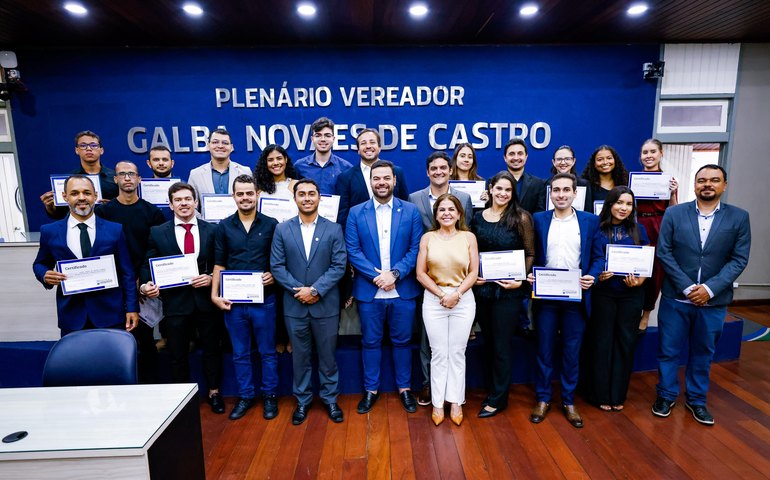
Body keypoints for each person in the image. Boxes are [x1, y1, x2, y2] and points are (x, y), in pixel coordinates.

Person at [653, 164, 750, 426]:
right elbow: (664, 253)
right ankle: (666, 395)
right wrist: (687, 287)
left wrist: (708, 289)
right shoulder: (674, 214)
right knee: (668, 351)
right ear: (694, 185)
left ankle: (696, 400)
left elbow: (739, 260)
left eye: (714, 180)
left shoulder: (739, 218)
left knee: (703, 353)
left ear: (724, 185)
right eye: (702, 180)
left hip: (713, 302)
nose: (707, 184)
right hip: (676, 298)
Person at [138, 182, 225, 413]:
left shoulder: (212, 230)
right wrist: (146, 285)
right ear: (170, 204)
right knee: (177, 354)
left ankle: (214, 392)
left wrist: (209, 278)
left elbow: (220, 263)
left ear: (196, 202)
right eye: (178, 200)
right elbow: (148, 264)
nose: (184, 203)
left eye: (188, 199)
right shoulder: (158, 232)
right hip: (175, 304)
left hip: (206, 301)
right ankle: (182, 399)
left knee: (211, 350)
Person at [345, 160, 423, 415]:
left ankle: (404, 389)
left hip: (403, 290)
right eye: (376, 178)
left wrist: (396, 274)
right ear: (371, 182)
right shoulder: (357, 212)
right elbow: (353, 251)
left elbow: (415, 249)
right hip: (371, 290)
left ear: (394, 180)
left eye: (386, 178)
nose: (381, 182)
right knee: (370, 342)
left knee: (402, 342)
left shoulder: (410, 211)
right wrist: (377, 277)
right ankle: (371, 390)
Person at [528, 173, 603, 428]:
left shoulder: (590, 221)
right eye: (556, 190)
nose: (561, 194)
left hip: (575, 298)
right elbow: (531, 252)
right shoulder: (538, 219)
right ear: (551, 193)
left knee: (572, 352)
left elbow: (598, 256)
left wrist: (592, 275)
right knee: (544, 350)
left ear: (574, 193)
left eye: (566, 190)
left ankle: (569, 401)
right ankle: (543, 398)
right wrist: (528, 271)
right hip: (546, 297)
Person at [271, 179, 347, 425]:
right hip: (295, 305)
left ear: (319, 198)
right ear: (294, 199)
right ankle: (302, 401)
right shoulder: (282, 229)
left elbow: (339, 266)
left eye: (311, 194)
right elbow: (277, 266)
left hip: (325, 305)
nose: (306, 198)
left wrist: (315, 290)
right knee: (300, 358)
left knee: (328, 357)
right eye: (301, 194)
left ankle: (330, 399)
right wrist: (300, 291)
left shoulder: (333, 229)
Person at [32, 175, 138, 336]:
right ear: (65, 197)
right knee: (76, 361)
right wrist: (45, 275)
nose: (82, 198)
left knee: (111, 360)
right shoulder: (50, 231)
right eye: (75, 193)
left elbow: (127, 273)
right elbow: (39, 264)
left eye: (87, 193)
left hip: (110, 313)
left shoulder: (114, 230)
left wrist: (132, 307)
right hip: (72, 314)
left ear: (95, 196)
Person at [210, 175, 280, 421]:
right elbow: (219, 264)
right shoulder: (224, 226)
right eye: (240, 194)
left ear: (257, 194)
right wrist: (214, 294)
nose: (245, 198)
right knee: (240, 353)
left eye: (249, 193)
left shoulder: (272, 224)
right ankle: (246, 395)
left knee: (267, 351)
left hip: (265, 300)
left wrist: (274, 275)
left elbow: (279, 261)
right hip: (234, 302)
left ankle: (270, 395)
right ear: (233, 196)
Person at [408, 151, 474, 407]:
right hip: (426, 275)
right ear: (427, 172)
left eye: (443, 168)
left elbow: (469, 232)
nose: (438, 172)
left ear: (450, 169)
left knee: (455, 347)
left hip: (458, 280)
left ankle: (454, 396)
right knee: (429, 339)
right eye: (433, 168)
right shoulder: (414, 198)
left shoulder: (465, 198)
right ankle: (429, 385)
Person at [471, 171, 535, 418]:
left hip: (508, 293)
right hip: (483, 290)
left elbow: (530, 253)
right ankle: (492, 389)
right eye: (499, 189)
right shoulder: (477, 218)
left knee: (501, 345)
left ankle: (499, 398)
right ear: (490, 188)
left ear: (513, 193)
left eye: (508, 190)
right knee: (488, 342)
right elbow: (472, 251)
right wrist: (474, 274)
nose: (503, 194)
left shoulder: (521, 217)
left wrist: (520, 279)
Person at [96, 161, 166, 383]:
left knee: (145, 342)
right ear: (115, 179)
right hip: (112, 284)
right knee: (113, 339)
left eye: (131, 174)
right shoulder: (103, 212)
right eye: (122, 174)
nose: (127, 178)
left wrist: (142, 280)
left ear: (139, 179)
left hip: (142, 285)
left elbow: (155, 249)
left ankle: (151, 390)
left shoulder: (152, 212)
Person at [582, 186, 649, 412]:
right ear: (610, 204)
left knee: (625, 343)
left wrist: (639, 281)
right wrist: (598, 275)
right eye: (619, 203)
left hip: (631, 295)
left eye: (628, 204)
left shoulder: (639, 230)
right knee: (601, 343)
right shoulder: (597, 229)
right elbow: (592, 259)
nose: (623, 208)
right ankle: (599, 393)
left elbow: (646, 265)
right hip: (603, 294)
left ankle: (617, 395)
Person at [416, 194, 479, 426]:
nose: (446, 213)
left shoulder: (468, 237)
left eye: (451, 209)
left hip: (463, 298)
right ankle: (437, 403)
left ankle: (455, 402)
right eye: (441, 210)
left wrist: (457, 294)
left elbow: (473, 272)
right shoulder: (428, 238)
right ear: (436, 214)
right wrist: (443, 295)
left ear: (459, 213)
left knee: (457, 352)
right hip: (435, 299)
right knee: (439, 352)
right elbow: (420, 273)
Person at [636, 139, 679, 333]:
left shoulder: (669, 181)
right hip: (637, 224)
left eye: (653, 151)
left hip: (658, 225)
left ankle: (646, 314)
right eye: (645, 152)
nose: (649, 156)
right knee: (635, 268)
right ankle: (633, 310)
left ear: (661, 154)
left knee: (655, 272)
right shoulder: (634, 178)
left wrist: (672, 192)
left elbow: (674, 210)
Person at [335, 128, 410, 228]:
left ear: (379, 147)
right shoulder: (345, 177)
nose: (368, 146)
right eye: (363, 143)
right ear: (358, 150)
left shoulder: (396, 172)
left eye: (372, 142)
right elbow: (342, 216)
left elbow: (404, 206)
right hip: (360, 236)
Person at [40, 130, 118, 219]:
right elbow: (59, 215)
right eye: (83, 145)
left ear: (101, 150)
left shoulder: (115, 178)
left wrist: (113, 207)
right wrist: (49, 207)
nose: (89, 149)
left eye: (93, 145)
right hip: (78, 229)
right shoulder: (68, 180)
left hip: (109, 227)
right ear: (77, 150)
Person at [187, 129, 252, 201]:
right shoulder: (195, 175)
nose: (220, 146)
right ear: (208, 146)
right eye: (215, 142)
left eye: (225, 143)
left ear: (232, 147)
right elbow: (193, 207)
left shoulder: (245, 172)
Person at [294, 117, 353, 195]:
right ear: (312, 139)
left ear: (333, 139)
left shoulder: (346, 168)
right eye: (318, 135)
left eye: (327, 135)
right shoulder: (299, 166)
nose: (323, 139)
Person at [502, 138, 546, 214]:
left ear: (526, 157)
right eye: (511, 154)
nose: (516, 158)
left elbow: (540, 214)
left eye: (520, 153)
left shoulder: (538, 184)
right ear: (505, 158)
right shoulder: (493, 182)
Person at [546, 145, 592, 212]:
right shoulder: (545, 184)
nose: (563, 162)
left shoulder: (584, 184)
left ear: (573, 161)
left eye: (567, 159)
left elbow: (588, 210)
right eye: (559, 159)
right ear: (553, 162)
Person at [449, 143, 488, 207]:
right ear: (455, 159)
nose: (466, 160)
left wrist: (485, 202)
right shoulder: (447, 181)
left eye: (470, 157)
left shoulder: (480, 182)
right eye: (462, 156)